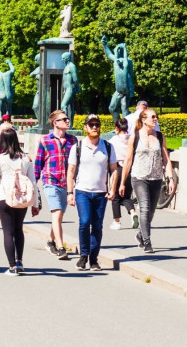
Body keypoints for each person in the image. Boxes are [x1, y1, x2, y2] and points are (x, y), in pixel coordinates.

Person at [66, 114, 117, 271]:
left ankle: (93, 259)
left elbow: (114, 169)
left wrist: (112, 189)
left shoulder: (107, 147)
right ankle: (83, 256)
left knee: (97, 226)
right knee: (84, 222)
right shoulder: (78, 147)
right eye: (91, 124)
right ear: (86, 128)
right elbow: (71, 170)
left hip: (101, 192)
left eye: (97, 124)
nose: (95, 127)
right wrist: (70, 192)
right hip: (83, 191)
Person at [120, 109, 174, 253]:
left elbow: (166, 159)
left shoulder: (160, 136)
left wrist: (170, 178)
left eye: (156, 117)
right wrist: (122, 182)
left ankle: (140, 234)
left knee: (151, 212)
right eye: (152, 117)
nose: (155, 119)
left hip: (156, 178)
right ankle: (147, 241)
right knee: (144, 208)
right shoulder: (135, 136)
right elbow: (128, 160)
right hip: (139, 177)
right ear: (143, 119)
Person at [0, 127, 40, 275]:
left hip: (4, 197)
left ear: (2, 141)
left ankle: (11, 266)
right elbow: (33, 183)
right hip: (22, 197)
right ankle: (20, 262)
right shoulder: (27, 158)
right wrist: (35, 204)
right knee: (18, 229)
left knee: (8, 232)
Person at [34, 110, 78, 260]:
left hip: (67, 183)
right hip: (50, 181)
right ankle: (60, 247)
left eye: (67, 118)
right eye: (64, 119)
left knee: (58, 217)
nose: (67, 121)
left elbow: (76, 164)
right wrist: (34, 187)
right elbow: (38, 164)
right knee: (57, 213)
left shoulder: (73, 140)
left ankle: (50, 242)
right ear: (55, 123)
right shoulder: (45, 141)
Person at [108, 118, 139, 230]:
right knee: (126, 195)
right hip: (130, 169)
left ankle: (117, 221)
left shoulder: (113, 140)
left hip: (117, 168)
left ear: (117, 128)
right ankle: (132, 212)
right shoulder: (132, 139)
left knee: (115, 196)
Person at [101, 36, 134, 121]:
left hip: (126, 88)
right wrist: (105, 45)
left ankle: (126, 128)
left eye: (119, 49)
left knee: (124, 109)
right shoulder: (117, 60)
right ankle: (118, 126)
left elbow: (125, 64)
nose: (118, 51)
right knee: (112, 108)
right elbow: (109, 55)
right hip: (119, 89)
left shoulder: (127, 61)